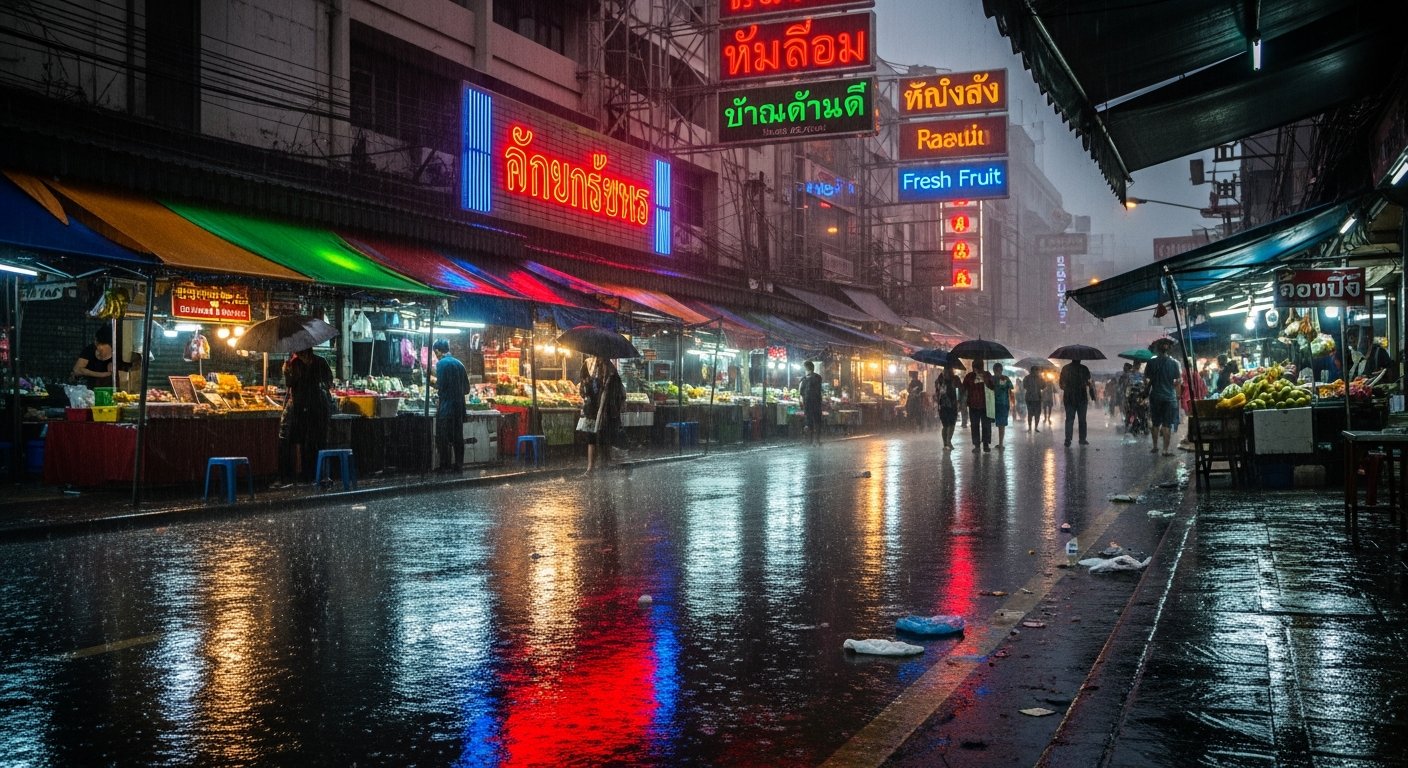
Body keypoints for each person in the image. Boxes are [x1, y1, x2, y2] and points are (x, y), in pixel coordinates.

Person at [277, 346, 334, 487]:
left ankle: (320, 474)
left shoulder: (320, 362)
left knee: (318, 441)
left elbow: (329, 381)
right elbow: (290, 384)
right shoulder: (294, 364)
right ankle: (306, 475)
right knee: (303, 441)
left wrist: (319, 385)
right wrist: (286, 372)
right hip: (300, 407)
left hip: (318, 407)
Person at [580, 356, 626, 473]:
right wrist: (587, 387)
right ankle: (590, 467)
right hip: (592, 409)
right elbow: (582, 387)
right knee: (591, 438)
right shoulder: (588, 364)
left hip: (606, 410)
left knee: (604, 437)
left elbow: (617, 391)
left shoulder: (611, 370)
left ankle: (603, 464)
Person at [430, 338, 469, 472]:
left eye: (435, 353)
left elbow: (440, 385)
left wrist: (431, 381)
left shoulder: (441, 364)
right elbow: (467, 389)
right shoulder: (460, 364)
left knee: (444, 438)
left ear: (437, 351)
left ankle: (445, 466)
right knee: (458, 438)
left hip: (446, 408)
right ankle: (459, 465)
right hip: (459, 409)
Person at [1145, 339, 1181, 456]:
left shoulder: (1151, 363)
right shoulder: (1174, 363)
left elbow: (1147, 379)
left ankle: (1155, 446)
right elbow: (1177, 380)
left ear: (1157, 349)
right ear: (1169, 349)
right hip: (1169, 398)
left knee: (1155, 423)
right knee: (1167, 424)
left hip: (1155, 396)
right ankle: (1165, 450)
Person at [1058, 357, 1095, 447]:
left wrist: (1068, 388)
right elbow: (1089, 382)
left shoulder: (1065, 368)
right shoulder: (1084, 369)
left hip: (1069, 398)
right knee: (1082, 420)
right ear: (1080, 359)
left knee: (1069, 419)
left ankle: (1068, 439)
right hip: (1081, 398)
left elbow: (1061, 385)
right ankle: (1082, 439)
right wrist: (1092, 393)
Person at [962, 360, 993, 452]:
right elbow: (964, 388)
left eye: (978, 367)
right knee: (975, 425)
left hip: (985, 404)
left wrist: (986, 381)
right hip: (973, 405)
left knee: (985, 425)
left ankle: (985, 444)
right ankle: (977, 445)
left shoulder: (987, 375)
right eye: (975, 367)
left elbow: (992, 387)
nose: (977, 369)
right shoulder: (969, 376)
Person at [934, 365, 960, 449]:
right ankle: (946, 443)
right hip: (944, 405)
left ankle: (948, 441)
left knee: (951, 424)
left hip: (951, 405)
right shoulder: (940, 379)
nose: (947, 371)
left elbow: (959, 388)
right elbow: (937, 391)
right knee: (946, 425)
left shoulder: (955, 379)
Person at [799, 360, 824, 445]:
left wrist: (804, 399)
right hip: (815, 402)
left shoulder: (805, 379)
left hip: (809, 402)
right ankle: (816, 440)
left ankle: (811, 440)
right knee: (816, 421)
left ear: (806, 368)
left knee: (810, 421)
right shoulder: (818, 377)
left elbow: (801, 392)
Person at [990, 363, 1013, 448]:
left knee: (998, 424)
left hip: (995, 404)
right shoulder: (1003, 378)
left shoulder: (992, 378)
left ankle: (997, 443)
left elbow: (1009, 389)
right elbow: (1010, 390)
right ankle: (1000, 443)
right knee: (1001, 425)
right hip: (1002, 404)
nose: (998, 371)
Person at [1023, 367, 1044, 432]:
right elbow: (1024, 386)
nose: (1037, 372)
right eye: (1036, 371)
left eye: (1037, 371)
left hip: (1037, 398)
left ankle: (1035, 427)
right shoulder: (1027, 378)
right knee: (1030, 413)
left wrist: (1042, 380)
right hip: (1030, 399)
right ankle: (1030, 427)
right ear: (1032, 371)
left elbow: (1043, 386)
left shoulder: (1040, 378)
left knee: (1037, 414)